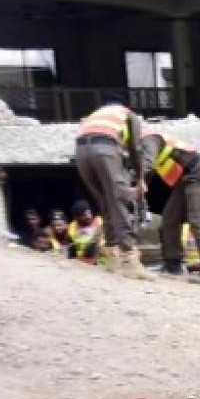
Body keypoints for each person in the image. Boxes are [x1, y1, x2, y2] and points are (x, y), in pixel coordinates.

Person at [73, 93, 150, 279]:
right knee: (118, 200)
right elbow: (135, 149)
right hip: (105, 149)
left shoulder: (95, 115)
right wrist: (140, 178)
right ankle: (129, 259)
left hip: (80, 152)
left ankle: (112, 257)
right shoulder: (127, 114)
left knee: (104, 201)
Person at [140, 131, 200, 284]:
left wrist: (134, 180)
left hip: (196, 174)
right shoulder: (145, 142)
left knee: (196, 221)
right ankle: (173, 264)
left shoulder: (149, 139)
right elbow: (148, 174)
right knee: (169, 219)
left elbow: (147, 164)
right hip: (183, 179)